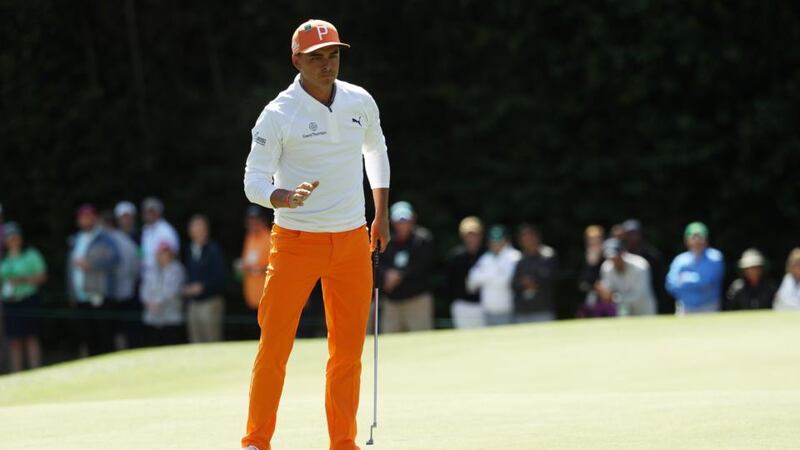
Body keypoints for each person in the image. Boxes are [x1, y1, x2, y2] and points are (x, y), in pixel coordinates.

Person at [240, 19, 391, 450]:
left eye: (334, 55)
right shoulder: (278, 113)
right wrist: (280, 196)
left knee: (347, 354)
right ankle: (256, 440)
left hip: (351, 241)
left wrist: (380, 213)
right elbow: (253, 179)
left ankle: (343, 442)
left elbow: (375, 151)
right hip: (295, 243)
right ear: (296, 61)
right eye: (316, 57)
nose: (328, 65)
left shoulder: (359, 100)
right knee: (274, 347)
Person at [67, 204, 120, 356]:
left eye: (88, 217)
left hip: (100, 296)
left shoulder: (105, 238)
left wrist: (91, 265)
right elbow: (70, 268)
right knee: (87, 338)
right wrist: (71, 293)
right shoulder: (76, 239)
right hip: (80, 297)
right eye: (82, 217)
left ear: (95, 219)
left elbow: (115, 260)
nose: (85, 220)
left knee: (105, 338)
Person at [378, 201, 435, 333]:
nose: (402, 224)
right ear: (392, 222)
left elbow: (422, 264)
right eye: (399, 221)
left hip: (417, 300)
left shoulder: (422, 239)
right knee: (390, 342)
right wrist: (386, 274)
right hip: (392, 301)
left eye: (405, 220)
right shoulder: (386, 241)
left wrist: (398, 276)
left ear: (413, 220)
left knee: (421, 341)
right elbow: (379, 263)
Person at [0, 222, 47, 372]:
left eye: (15, 236)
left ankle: (35, 371)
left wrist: (22, 280)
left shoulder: (31, 254)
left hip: (28, 299)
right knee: (14, 341)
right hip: (9, 302)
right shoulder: (3, 258)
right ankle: (17, 374)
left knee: (31, 337)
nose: (12, 239)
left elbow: (42, 277)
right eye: (9, 236)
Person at [101, 210, 142, 349]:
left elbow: (135, 265)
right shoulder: (126, 240)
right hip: (126, 291)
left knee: (123, 331)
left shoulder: (114, 240)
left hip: (120, 294)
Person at [182, 214, 227, 343]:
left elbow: (221, 278)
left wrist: (202, 287)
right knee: (195, 341)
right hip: (193, 304)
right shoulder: (189, 250)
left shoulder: (214, 250)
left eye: (200, 226)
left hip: (210, 303)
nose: (198, 229)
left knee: (212, 340)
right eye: (195, 226)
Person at [467, 225, 521, 326]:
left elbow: (504, 281)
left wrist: (485, 276)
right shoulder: (485, 258)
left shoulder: (515, 257)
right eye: (493, 241)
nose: (496, 244)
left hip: (508, 310)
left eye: (499, 240)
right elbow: (472, 280)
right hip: (488, 311)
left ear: (506, 240)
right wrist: (494, 274)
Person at [666, 222, 725, 314]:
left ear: (706, 239)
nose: (697, 240)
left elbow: (707, 282)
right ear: (686, 240)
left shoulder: (715, 257)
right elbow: (671, 285)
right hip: (685, 308)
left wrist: (685, 279)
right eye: (693, 237)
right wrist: (697, 282)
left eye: (700, 236)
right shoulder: (679, 260)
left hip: (709, 307)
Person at [622, 219, 672, 314]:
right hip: (626, 304)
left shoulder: (653, 256)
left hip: (649, 304)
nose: (632, 237)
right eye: (629, 234)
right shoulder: (620, 257)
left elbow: (660, 283)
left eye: (634, 233)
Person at [596, 239, 656, 316]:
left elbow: (638, 295)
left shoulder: (640, 265)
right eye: (610, 258)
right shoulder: (606, 267)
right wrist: (604, 293)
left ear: (623, 253)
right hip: (623, 311)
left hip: (644, 308)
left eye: (616, 257)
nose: (614, 260)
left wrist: (614, 298)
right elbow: (609, 291)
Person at [511, 223, 558, 323]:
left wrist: (535, 283)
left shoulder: (547, 256)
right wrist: (524, 284)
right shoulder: (520, 260)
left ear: (537, 237)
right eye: (524, 237)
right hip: (523, 311)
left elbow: (552, 280)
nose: (527, 240)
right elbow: (514, 284)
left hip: (543, 310)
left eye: (529, 236)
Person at [141, 242, 186, 345]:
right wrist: (148, 303)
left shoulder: (177, 270)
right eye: (160, 253)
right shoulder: (150, 270)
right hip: (152, 319)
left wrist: (158, 303)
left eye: (165, 253)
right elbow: (144, 290)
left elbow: (173, 291)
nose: (163, 256)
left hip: (171, 319)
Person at [446, 217, 486, 329]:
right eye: (468, 235)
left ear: (481, 235)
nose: (472, 238)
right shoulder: (455, 256)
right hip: (462, 305)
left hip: (483, 306)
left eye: (475, 234)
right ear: (462, 236)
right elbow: (450, 283)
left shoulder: (487, 255)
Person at [237, 205, 272, 311]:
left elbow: (280, 266)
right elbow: (246, 261)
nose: (252, 224)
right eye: (250, 220)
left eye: (256, 220)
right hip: (251, 297)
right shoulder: (249, 237)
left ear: (262, 220)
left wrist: (258, 269)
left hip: (267, 297)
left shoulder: (270, 238)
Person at [576, 225, 615, 318]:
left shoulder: (610, 256)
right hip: (593, 303)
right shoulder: (584, 259)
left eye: (597, 240)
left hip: (612, 301)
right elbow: (582, 285)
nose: (594, 243)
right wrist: (591, 265)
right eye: (591, 240)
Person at [140, 197, 179, 283]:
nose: (148, 215)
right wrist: (138, 257)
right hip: (146, 274)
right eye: (146, 212)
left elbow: (172, 254)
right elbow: (142, 249)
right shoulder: (145, 229)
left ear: (158, 213)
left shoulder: (166, 230)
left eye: (151, 211)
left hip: (163, 275)